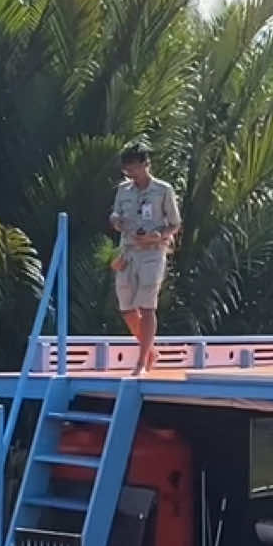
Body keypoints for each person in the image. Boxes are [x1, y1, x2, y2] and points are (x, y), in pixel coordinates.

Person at [109, 142, 181, 375]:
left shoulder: (163, 190)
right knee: (127, 308)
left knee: (147, 306)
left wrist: (158, 235)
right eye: (126, 168)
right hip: (128, 251)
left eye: (133, 167)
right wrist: (116, 221)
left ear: (145, 164)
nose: (130, 172)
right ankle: (150, 350)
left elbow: (175, 223)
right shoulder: (123, 190)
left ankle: (141, 362)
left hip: (152, 252)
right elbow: (115, 213)